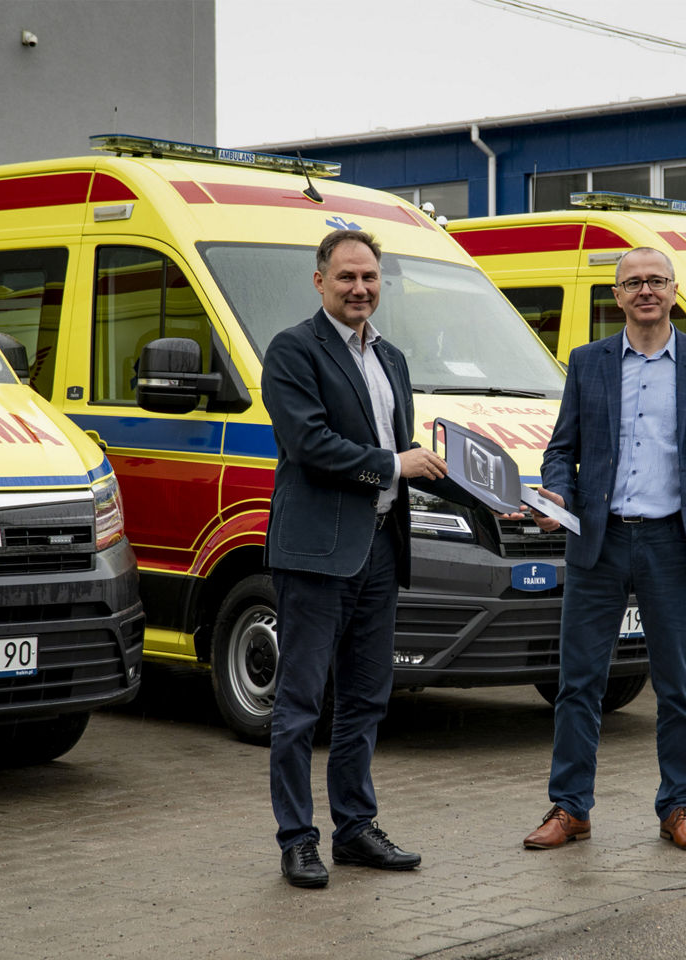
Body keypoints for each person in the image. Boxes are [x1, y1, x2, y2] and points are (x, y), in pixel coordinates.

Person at [523, 246, 686, 853]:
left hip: (673, 544)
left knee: (678, 685)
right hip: (598, 541)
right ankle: (570, 808)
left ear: (675, 291)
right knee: (579, 682)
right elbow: (560, 449)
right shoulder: (588, 362)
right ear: (617, 296)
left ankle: (679, 806)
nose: (645, 290)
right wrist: (558, 497)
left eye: (656, 280)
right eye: (633, 283)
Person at [261, 229, 460, 889]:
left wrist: (475, 484)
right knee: (299, 706)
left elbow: (397, 450)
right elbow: (309, 443)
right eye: (346, 277)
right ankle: (296, 839)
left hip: (378, 550)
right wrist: (392, 464)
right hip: (316, 556)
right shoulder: (294, 349)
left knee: (367, 699)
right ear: (319, 281)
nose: (360, 288)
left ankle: (354, 829)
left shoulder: (392, 357)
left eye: (370, 277)